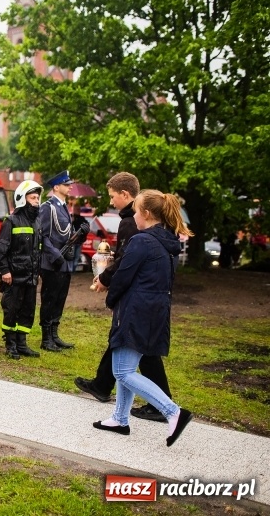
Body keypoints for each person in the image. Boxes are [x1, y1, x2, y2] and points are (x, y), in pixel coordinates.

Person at [93, 190, 194, 447]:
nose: (133, 215)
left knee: (122, 371)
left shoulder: (141, 241)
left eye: (136, 211)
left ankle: (173, 411)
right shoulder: (169, 242)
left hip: (135, 311)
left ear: (146, 214)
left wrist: (110, 299)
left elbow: (123, 276)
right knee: (126, 367)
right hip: (154, 311)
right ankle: (119, 418)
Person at [75, 173, 174, 422]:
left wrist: (108, 286)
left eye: (112, 197)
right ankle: (117, 413)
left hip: (138, 306)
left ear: (127, 196)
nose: (111, 202)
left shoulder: (137, 229)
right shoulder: (159, 235)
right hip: (149, 305)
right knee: (129, 354)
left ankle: (169, 408)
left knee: (127, 365)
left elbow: (126, 265)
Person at [0, 180, 43, 359]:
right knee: (11, 310)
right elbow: (0, 249)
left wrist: (38, 272)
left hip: (30, 278)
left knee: (27, 311)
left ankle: (22, 343)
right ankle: (10, 344)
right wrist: (5, 271)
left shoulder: (37, 222)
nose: (37, 201)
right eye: (33, 197)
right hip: (13, 278)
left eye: (38, 197)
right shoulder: (11, 221)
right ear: (22, 199)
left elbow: (38, 250)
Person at [38, 170, 80, 351]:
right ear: (56, 187)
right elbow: (43, 235)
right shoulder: (48, 207)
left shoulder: (63, 207)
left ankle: (54, 334)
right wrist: (54, 254)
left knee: (60, 299)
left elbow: (66, 234)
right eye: (66, 184)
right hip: (52, 262)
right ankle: (46, 338)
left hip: (64, 262)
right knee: (50, 299)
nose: (70, 186)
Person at [70, 203, 89, 272]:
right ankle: (70, 271)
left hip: (79, 241)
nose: (78, 210)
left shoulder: (82, 219)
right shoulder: (70, 217)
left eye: (79, 209)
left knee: (76, 258)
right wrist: (71, 221)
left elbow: (86, 227)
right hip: (72, 242)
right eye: (76, 209)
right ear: (73, 209)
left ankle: (73, 271)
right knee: (71, 257)